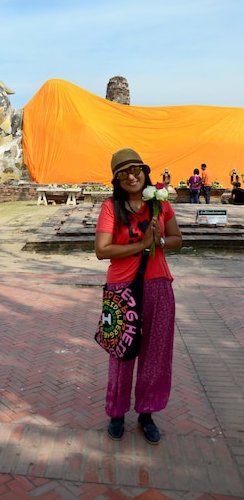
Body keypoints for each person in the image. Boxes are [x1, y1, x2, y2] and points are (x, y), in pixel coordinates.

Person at [95, 148, 182, 444]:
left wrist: (157, 241)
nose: (131, 177)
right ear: (117, 181)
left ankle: (147, 412)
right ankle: (116, 412)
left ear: (145, 172)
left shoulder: (161, 204)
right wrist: (141, 244)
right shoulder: (110, 208)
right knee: (122, 353)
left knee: (156, 353)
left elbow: (176, 240)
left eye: (136, 170)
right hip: (122, 288)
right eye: (123, 173)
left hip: (158, 284)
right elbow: (102, 251)